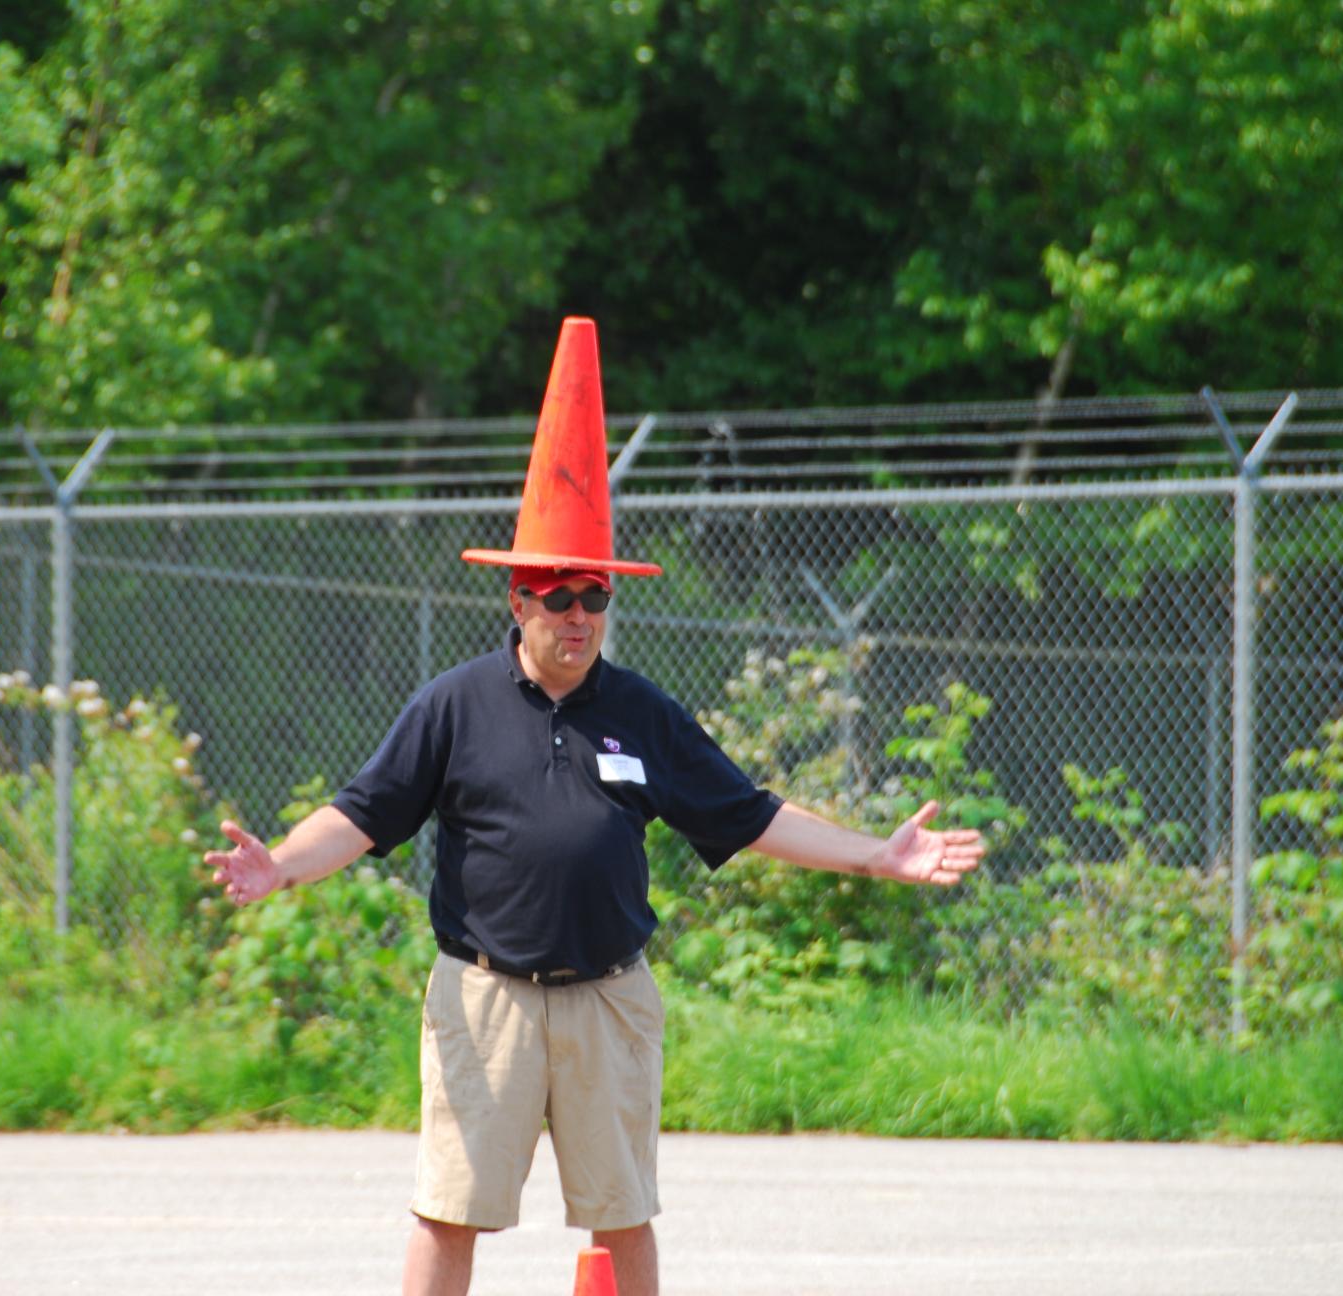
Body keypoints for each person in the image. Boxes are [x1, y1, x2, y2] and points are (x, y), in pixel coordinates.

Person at [205, 320, 984, 1296]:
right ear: (518, 602)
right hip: (484, 997)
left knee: (622, 1215)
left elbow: (747, 815)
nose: (579, 614)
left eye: (595, 595)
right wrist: (280, 865)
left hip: (609, 999)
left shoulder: (642, 712)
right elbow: (362, 813)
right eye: (558, 594)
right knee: (449, 1210)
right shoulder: (454, 705)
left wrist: (878, 854)